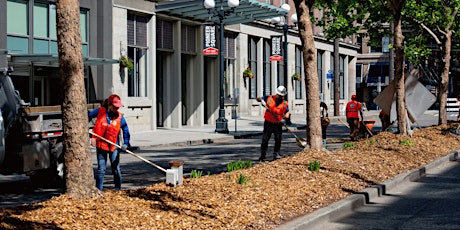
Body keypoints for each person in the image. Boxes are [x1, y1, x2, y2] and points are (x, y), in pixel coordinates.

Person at [88, 94, 130, 190]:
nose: (116, 109)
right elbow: (88, 116)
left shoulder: (120, 117)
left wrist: (126, 143)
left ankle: (118, 189)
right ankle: (99, 190)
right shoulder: (100, 111)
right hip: (101, 145)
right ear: (109, 105)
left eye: (118, 107)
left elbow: (126, 129)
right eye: (115, 107)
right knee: (101, 170)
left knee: (116, 169)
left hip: (113, 146)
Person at [256, 86, 291, 161]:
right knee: (265, 139)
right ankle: (263, 155)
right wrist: (259, 99)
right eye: (280, 95)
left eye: (282, 95)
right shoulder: (269, 98)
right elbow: (260, 99)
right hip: (268, 122)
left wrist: (287, 115)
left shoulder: (285, 103)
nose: (281, 96)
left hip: (278, 123)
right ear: (277, 94)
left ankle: (276, 154)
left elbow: (287, 111)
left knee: (278, 139)